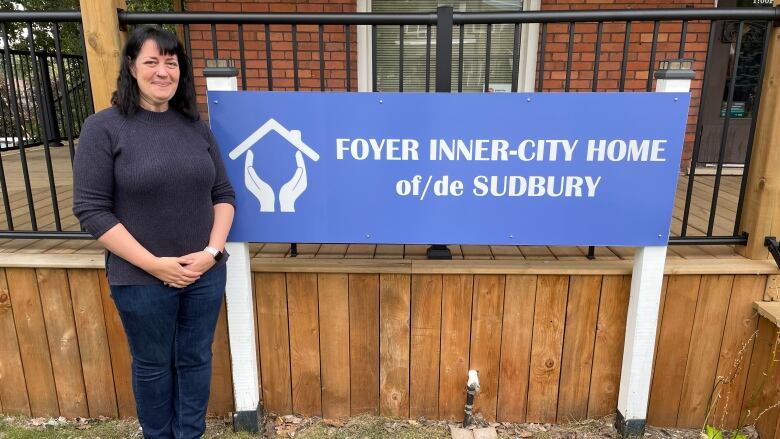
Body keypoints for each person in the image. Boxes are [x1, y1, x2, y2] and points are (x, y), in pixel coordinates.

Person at [72, 25, 235, 439]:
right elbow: (91, 209)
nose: (163, 71)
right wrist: (156, 266)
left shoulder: (196, 128)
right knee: (153, 364)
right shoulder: (103, 128)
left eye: (171, 62)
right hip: (141, 279)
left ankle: (190, 434)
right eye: (151, 61)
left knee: (196, 359)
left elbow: (223, 193)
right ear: (131, 67)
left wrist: (212, 253)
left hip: (204, 274)